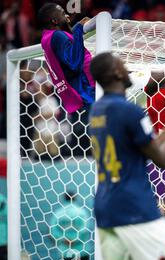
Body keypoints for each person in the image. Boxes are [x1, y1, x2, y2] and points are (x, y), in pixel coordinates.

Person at [88, 52, 165, 260]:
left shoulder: (98, 110)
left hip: (106, 205)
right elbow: (162, 158)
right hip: (133, 205)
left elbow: (149, 150)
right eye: (123, 64)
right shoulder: (130, 111)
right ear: (117, 72)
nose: (129, 68)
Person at [38, 3, 94, 156]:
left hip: (78, 91)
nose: (67, 15)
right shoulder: (57, 36)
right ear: (54, 21)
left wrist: (73, 28)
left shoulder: (49, 37)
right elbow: (74, 63)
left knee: (84, 135)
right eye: (62, 13)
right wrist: (77, 29)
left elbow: (67, 53)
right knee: (92, 135)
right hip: (86, 89)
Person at [49, 191, 92, 260]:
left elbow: (53, 230)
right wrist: (74, 239)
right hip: (81, 250)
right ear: (75, 197)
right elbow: (86, 228)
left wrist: (65, 239)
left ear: (64, 198)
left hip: (65, 250)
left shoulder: (58, 213)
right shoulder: (81, 212)